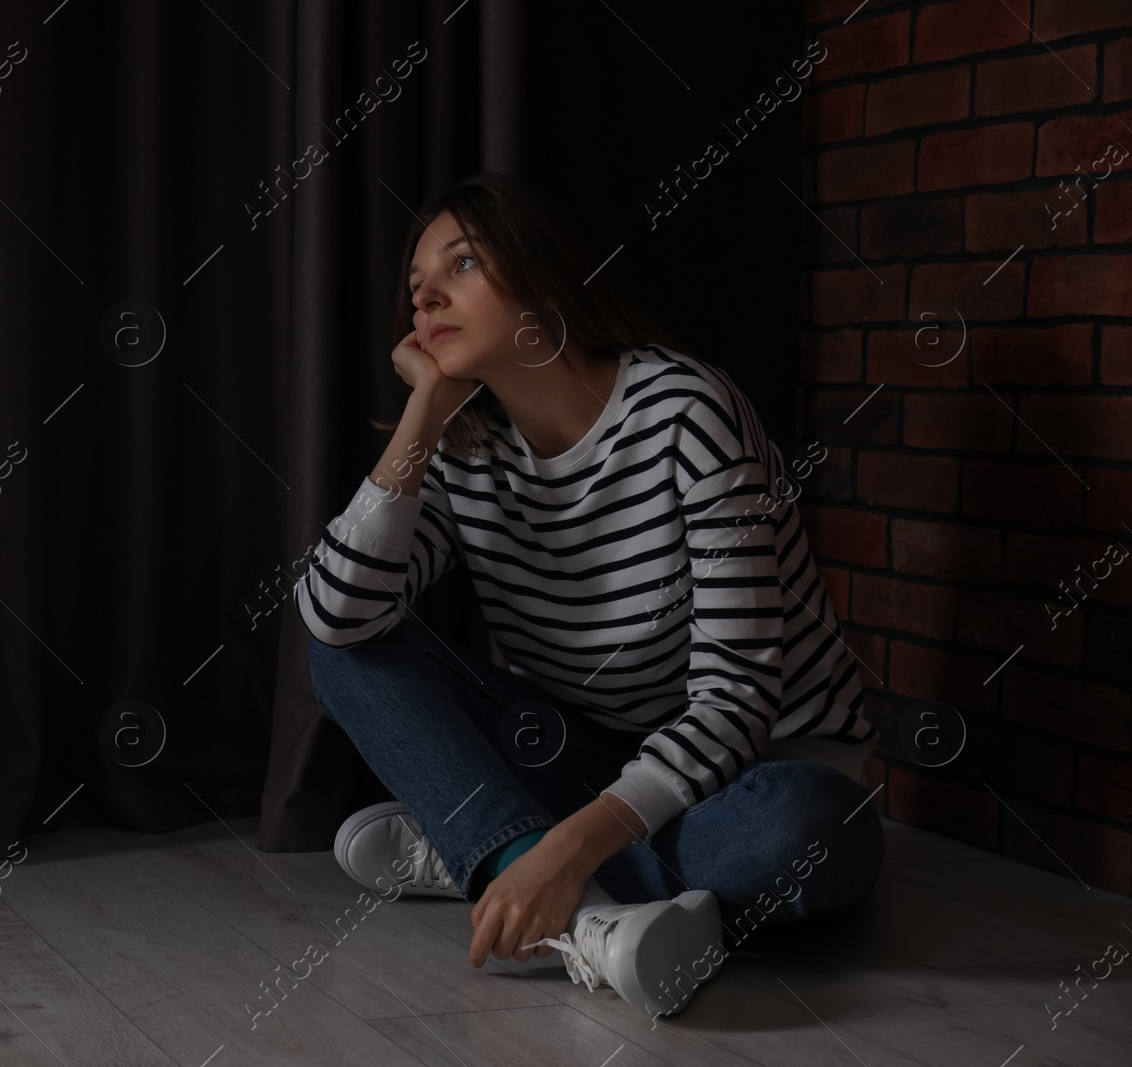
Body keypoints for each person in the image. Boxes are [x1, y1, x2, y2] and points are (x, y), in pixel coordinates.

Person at [295, 172, 882, 1021]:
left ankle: (493, 851)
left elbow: (737, 698)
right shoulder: (465, 452)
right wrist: (423, 415)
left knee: (810, 830)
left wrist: (570, 845)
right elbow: (337, 615)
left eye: (460, 263)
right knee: (341, 648)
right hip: (580, 753)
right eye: (417, 284)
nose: (425, 295)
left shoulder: (687, 409)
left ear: (542, 279)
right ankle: (589, 909)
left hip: (759, 770)